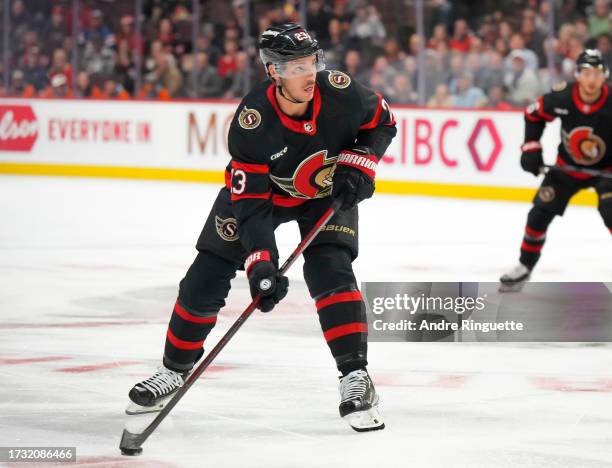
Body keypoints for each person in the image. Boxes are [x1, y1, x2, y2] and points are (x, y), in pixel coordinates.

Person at [126, 23, 396, 432]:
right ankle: (173, 371)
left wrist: (361, 161)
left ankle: (356, 377)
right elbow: (250, 208)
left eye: (312, 63)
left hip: (325, 192)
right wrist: (260, 266)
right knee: (206, 275)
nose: (309, 75)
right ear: (273, 71)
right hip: (263, 200)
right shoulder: (251, 123)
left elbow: (384, 121)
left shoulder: (340, 91)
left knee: (331, 269)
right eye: (295, 67)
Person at [500, 49, 612, 291]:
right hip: (567, 168)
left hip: (607, 171)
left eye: (597, 73)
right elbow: (533, 114)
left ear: (605, 76)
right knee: (538, 214)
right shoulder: (563, 97)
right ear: (578, 75)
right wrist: (531, 148)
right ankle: (524, 266)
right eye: (586, 73)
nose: (592, 79)